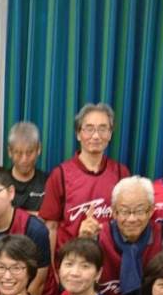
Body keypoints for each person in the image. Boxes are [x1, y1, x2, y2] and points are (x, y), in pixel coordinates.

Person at [39, 103, 130, 254]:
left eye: (103, 129)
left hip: (110, 259)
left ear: (110, 134)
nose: (96, 136)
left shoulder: (121, 173)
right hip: (70, 259)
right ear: (78, 134)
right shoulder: (60, 174)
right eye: (89, 129)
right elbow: (51, 227)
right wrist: (53, 266)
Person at [78, 176, 163, 295]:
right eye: (124, 211)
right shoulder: (98, 236)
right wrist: (83, 243)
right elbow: (78, 283)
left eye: (139, 211)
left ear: (151, 211)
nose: (132, 219)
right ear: (114, 212)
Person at [7, 121, 48, 213]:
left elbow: (52, 219)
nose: (24, 159)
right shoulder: (1, 183)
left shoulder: (49, 183)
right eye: (18, 153)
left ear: (39, 149)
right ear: (10, 151)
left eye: (29, 153)